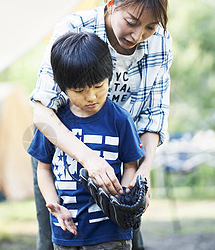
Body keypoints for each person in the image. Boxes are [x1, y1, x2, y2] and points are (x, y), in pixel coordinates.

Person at [30, 0, 172, 250]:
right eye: (131, 22)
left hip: (122, 159)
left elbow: (152, 117)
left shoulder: (160, 43)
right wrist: (89, 160)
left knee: (123, 236)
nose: (137, 35)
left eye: (150, 27)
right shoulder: (73, 30)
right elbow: (42, 112)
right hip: (63, 154)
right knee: (56, 238)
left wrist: (142, 174)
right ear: (111, 5)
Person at [28, 31, 145, 249]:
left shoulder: (120, 120)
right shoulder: (54, 124)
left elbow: (131, 165)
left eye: (99, 86)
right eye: (79, 90)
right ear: (63, 87)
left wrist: (126, 198)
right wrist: (53, 204)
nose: (90, 96)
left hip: (111, 233)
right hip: (66, 231)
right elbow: (43, 169)